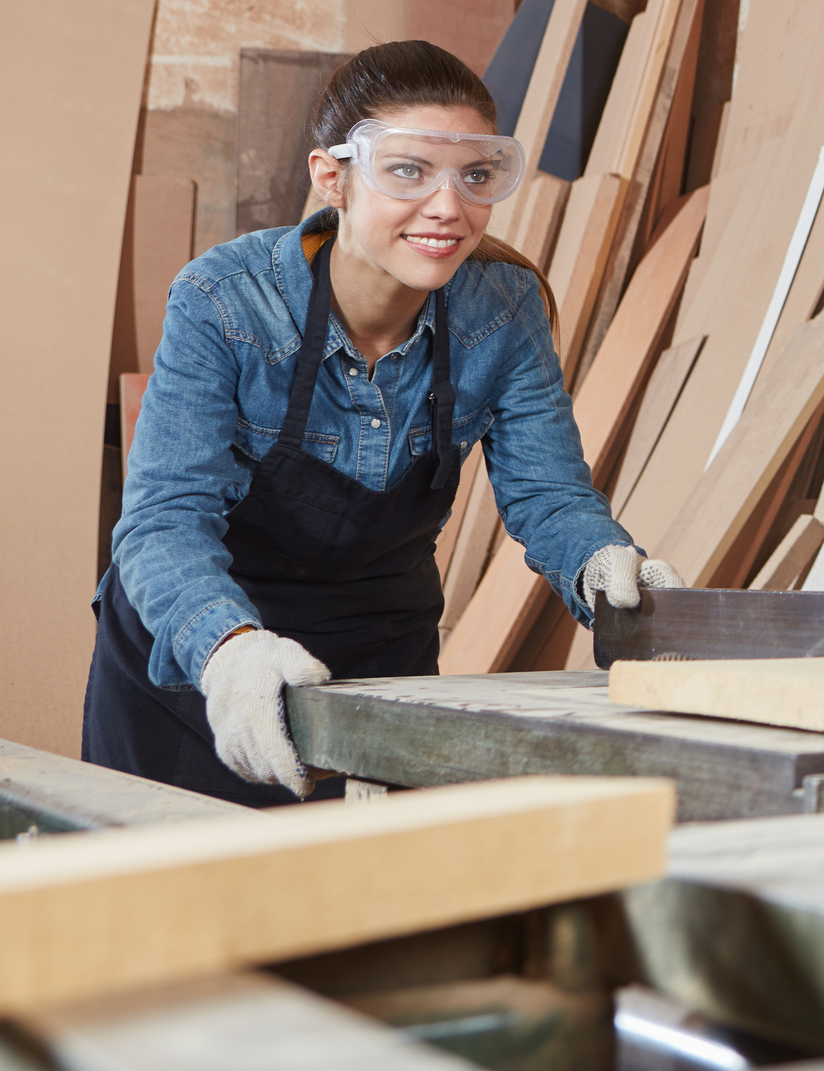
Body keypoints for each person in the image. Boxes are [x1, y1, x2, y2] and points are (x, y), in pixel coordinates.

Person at [85, 41, 683, 805]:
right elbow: (163, 521)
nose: (448, 207)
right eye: (407, 170)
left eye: (474, 175)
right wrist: (229, 654)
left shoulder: (501, 309)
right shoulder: (225, 301)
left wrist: (604, 568)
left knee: (370, 908)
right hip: (207, 661)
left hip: (376, 651)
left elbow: (549, 497)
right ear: (331, 177)